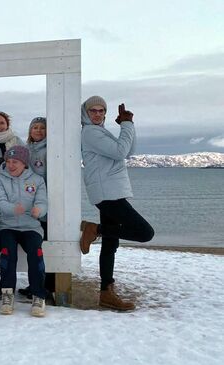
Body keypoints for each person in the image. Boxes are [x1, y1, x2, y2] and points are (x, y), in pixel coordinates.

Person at [79, 96, 154, 311]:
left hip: (111, 191)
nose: (97, 114)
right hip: (108, 192)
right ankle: (94, 229)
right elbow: (121, 151)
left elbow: (128, 150)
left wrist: (128, 125)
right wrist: (127, 125)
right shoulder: (90, 132)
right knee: (144, 232)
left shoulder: (100, 132)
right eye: (93, 110)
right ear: (86, 113)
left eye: (101, 110)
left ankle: (106, 292)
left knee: (111, 244)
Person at [0, 145, 48, 317]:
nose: (10, 165)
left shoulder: (37, 180)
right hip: (7, 226)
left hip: (30, 226)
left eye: (15, 162)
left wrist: (39, 210)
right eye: (8, 161)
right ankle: (7, 294)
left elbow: (43, 201)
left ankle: (38, 295)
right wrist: (12, 208)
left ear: (24, 163)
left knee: (36, 253)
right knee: (8, 253)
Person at [18, 117, 55, 299]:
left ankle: (48, 287)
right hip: (29, 206)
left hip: (45, 204)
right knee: (35, 247)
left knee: (46, 248)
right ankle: (36, 284)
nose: (38, 131)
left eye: (42, 128)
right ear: (30, 130)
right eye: (35, 127)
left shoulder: (50, 149)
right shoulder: (26, 150)